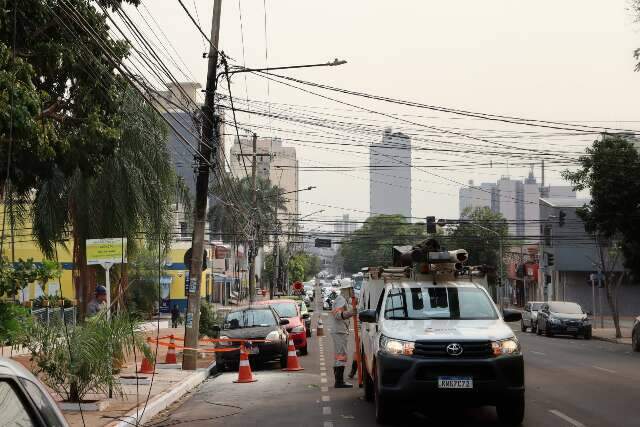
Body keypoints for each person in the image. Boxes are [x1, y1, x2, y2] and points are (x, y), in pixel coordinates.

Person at [331, 278, 356, 388]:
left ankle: (338, 379)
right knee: (341, 355)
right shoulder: (341, 299)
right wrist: (350, 313)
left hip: (340, 330)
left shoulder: (343, 299)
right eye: (351, 289)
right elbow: (337, 315)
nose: (352, 291)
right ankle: (339, 381)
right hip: (339, 330)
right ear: (347, 289)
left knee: (339, 355)